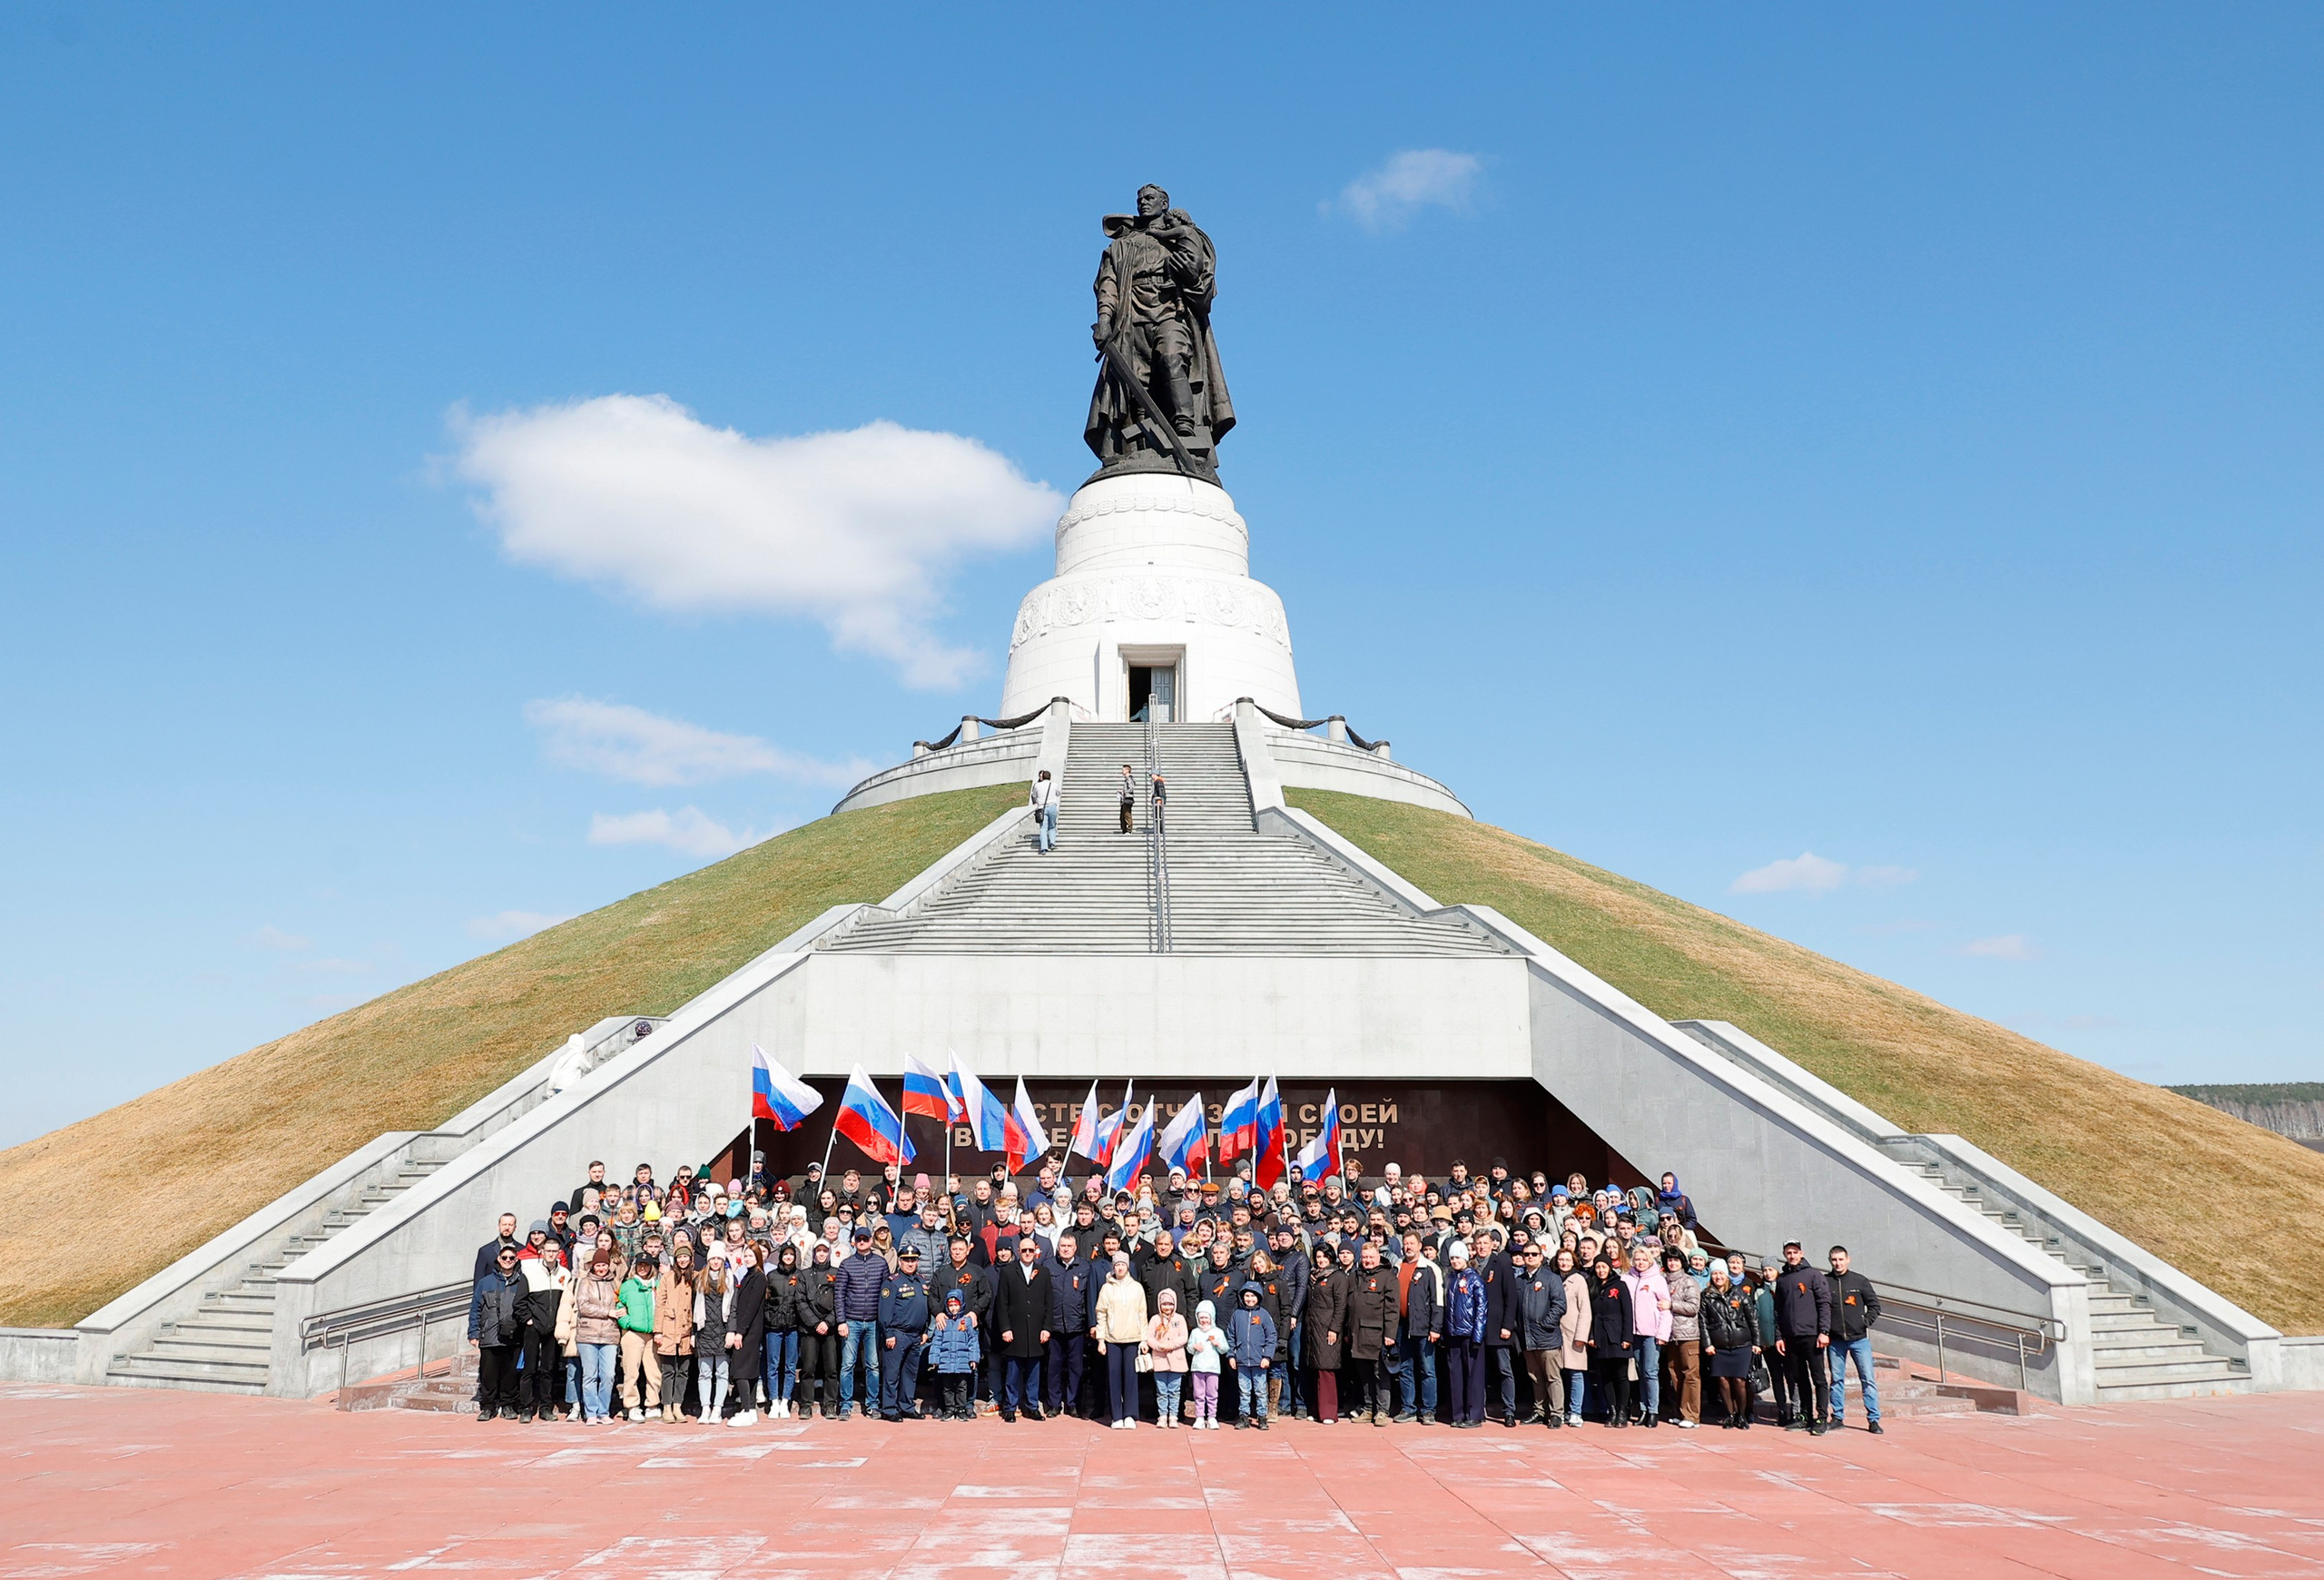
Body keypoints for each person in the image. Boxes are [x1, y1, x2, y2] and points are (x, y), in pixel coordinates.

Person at [1772, 1241, 1834, 1435]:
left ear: (1801, 1253)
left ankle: (1822, 1417)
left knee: (1819, 1378)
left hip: (1812, 1336)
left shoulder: (1814, 1275)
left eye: (1795, 1252)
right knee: (1800, 1379)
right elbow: (1778, 1310)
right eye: (1788, 1252)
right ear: (1784, 1254)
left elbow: (1824, 1304)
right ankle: (1805, 1416)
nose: (1792, 1255)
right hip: (1791, 1337)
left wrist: (1824, 1331)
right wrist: (1779, 1336)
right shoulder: (1782, 1279)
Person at [1825, 1245, 1884, 1434]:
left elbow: (1875, 1305)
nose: (1838, 1263)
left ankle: (1873, 1419)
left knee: (1868, 1379)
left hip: (1859, 1340)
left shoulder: (1860, 1281)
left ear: (1848, 1259)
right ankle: (1837, 1416)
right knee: (1836, 1380)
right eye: (1834, 1260)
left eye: (1841, 1259)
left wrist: (1864, 1322)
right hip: (1835, 1341)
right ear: (1830, 1261)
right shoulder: (1826, 1282)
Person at [995, 1234, 1054, 1421]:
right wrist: (1005, 1328)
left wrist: (1047, 1328)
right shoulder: (1008, 1271)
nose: (1027, 1253)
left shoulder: (1043, 1272)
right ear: (1018, 1252)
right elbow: (1002, 1302)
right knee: (1012, 1373)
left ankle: (1032, 1406)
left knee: (1034, 1374)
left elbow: (1049, 1303)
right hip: (1015, 1330)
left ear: (1036, 1252)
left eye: (1031, 1250)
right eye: (1024, 1250)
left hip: (1036, 1332)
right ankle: (1010, 1408)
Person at [468, 1242, 525, 1422]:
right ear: (499, 1260)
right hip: (490, 1335)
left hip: (513, 1336)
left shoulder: (522, 1281)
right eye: (504, 1257)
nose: (508, 1261)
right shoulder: (486, 1282)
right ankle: (488, 1407)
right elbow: (476, 1308)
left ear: (516, 1260)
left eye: (511, 1258)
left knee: (510, 1374)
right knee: (488, 1374)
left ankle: (508, 1405)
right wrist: (473, 1333)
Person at [1514, 1241, 1568, 1428]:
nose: (1530, 1257)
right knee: (1535, 1377)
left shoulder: (1551, 1278)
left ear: (1541, 1257)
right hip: (1528, 1338)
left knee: (1552, 1377)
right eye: (1526, 1254)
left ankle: (1556, 1413)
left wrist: (1546, 1324)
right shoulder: (1519, 1280)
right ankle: (1539, 1411)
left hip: (1547, 1337)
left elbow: (1560, 1305)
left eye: (1534, 1254)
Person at [516, 1231, 567, 1424]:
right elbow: (519, 1302)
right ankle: (526, 1408)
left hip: (553, 1329)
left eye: (555, 1251)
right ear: (542, 1252)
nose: (551, 1254)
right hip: (533, 1328)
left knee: (549, 1370)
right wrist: (528, 1320)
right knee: (529, 1369)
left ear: (559, 1253)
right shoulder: (529, 1273)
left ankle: (546, 1407)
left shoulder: (565, 1274)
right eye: (548, 1251)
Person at [1392, 1231, 1443, 1425]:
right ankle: (1408, 1408)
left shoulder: (1430, 1268)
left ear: (1420, 1246)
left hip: (1424, 1327)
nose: (1408, 1247)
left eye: (1412, 1243)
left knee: (1427, 1369)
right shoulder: (1397, 1266)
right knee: (1405, 1368)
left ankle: (1428, 1410)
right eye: (1405, 1243)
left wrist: (1435, 1327)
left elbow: (1438, 1300)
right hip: (1402, 1327)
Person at [1344, 1243, 1398, 1426]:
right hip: (1357, 1335)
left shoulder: (1387, 1278)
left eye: (1371, 1257)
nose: (1367, 1261)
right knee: (1364, 1375)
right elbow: (1348, 1306)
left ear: (1378, 1258)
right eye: (1365, 1257)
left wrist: (1390, 1334)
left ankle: (1382, 1411)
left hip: (1377, 1335)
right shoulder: (1355, 1276)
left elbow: (1392, 1309)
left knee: (1379, 1374)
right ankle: (1368, 1409)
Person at [834, 1227, 885, 1419]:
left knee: (873, 1364)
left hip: (873, 1321)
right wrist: (841, 1320)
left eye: (865, 1239)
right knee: (847, 1364)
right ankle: (845, 1405)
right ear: (854, 1242)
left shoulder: (880, 1264)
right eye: (859, 1239)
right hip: (851, 1321)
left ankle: (872, 1404)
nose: (862, 1242)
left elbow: (885, 1293)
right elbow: (839, 1294)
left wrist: (883, 1321)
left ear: (871, 1241)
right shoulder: (846, 1264)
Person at [877, 1245, 932, 1421]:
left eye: (913, 1260)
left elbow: (925, 1308)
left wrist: (925, 1330)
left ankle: (907, 1406)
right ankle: (889, 1408)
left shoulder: (921, 1281)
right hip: (897, 1334)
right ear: (900, 1261)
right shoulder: (892, 1282)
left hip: (916, 1335)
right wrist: (889, 1333)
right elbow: (884, 1311)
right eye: (906, 1260)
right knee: (892, 1374)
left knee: (910, 1374)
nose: (910, 1263)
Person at [1699, 1262, 1758, 1428]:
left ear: (1726, 1275)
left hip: (1741, 1344)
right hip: (1719, 1346)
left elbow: (1752, 1319)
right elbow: (1702, 1322)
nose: (1718, 1277)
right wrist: (1708, 1344)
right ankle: (1730, 1414)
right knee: (1722, 1380)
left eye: (1721, 1274)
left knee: (1739, 1381)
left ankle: (1742, 1414)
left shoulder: (1739, 1293)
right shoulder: (1706, 1296)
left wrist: (1757, 1342)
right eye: (1715, 1274)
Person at [1094, 1252, 1148, 1427]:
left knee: (1131, 1378)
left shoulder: (1137, 1288)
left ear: (1127, 1267)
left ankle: (1130, 1414)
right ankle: (1116, 1415)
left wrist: (1144, 1340)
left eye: (1122, 1265)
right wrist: (1101, 1339)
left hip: (1132, 1338)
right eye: (1117, 1265)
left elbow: (1142, 1314)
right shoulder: (1106, 1288)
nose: (1119, 1268)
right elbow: (1101, 1314)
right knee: (1114, 1376)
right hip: (1112, 1338)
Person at [570, 1249, 622, 1424]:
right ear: (593, 1266)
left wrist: (620, 1311)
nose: (601, 1268)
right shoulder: (585, 1283)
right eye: (598, 1265)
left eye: (604, 1265)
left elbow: (621, 1302)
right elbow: (583, 1306)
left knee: (608, 1375)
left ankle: (603, 1411)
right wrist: (608, 1312)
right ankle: (591, 1412)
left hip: (609, 1334)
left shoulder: (614, 1283)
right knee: (590, 1374)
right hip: (588, 1334)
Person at [1586, 1253, 1636, 1428]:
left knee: (1621, 1376)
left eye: (1604, 1267)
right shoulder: (1592, 1286)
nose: (1601, 1270)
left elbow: (1628, 1313)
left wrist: (1627, 1337)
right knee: (1605, 1377)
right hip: (1600, 1336)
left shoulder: (1620, 1286)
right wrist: (1591, 1336)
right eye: (1598, 1267)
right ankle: (1612, 1411)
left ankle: (1622, 1412)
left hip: (1618, 1336)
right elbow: (1590, 1315)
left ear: (1610, 1267)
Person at [1440, 1241, 1487, 1428]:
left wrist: (1477, 1335)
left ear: (1466, 1258)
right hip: (1453, 1334)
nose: (1454, 1261)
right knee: (1455, 1375)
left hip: (1470, 1334)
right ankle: (1457, 1413)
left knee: (1473, 1375)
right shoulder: (1450, 1278)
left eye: (1458, 1257)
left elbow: (1482, 1309)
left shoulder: (1475, 1280)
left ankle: (1474, 1414)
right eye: (1452, 1258)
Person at [1048, 1232, 1094, 1417]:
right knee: (1053, 1367)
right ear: (1058, 1248)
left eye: (1069, 1246)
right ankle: (1054, 1404)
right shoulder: (1049, 1265)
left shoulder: (1084, 1266)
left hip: (1077, 1326)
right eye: (1062, 1246)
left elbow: (1088, 1297)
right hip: (1054, 1325)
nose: (1065, 1249)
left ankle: (1073, 1403)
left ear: (1075, 1248)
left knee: (1076, 1367)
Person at [1624, 1244, 1670, 1428]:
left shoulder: (1658, 1280)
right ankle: (1643, 1409)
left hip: (1652, 1334)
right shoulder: (1627, 1278)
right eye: (1638, 1259)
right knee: (1640, 1371)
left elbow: (1666, 1308)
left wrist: (1662, 1334)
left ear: (1650, 1261)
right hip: (1634, 1333)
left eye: (1644, 1259)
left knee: (1650, 1372)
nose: (1640, 1262)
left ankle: (1653, 1411)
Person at [1304, 1239, 1349, 1424]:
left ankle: (1329, 1412)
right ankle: (1316, 1409)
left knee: (1326, 1369)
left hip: (1327, 1329)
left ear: (1331, 1257)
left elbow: (1341, 1307)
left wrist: (1334, 1328)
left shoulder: (1337, 1277)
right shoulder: (1313, 1276)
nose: (1321, 1260)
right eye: (1318, 1256)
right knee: (1314, 1369)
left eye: (1324, 1256)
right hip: (1312, 1328)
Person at [653, 1242, 696, 1423]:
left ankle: (678, 1405)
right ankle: (667, 1407)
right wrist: (658, 1330)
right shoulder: (667, 1277)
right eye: (679, 1257)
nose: (683, 1260)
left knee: (683, 1371)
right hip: (669, 1329)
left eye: (686, 1256)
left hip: (687, 1330)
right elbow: (660, 1303)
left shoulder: (695, 1277)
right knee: (668, 1370)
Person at [796, 1242, 840, 1419]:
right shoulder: (804, 1275)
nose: (821, 1254)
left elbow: (841, 1301)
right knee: (808, 1368)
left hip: (830, 1329)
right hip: (809, 1329)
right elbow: (800, 1301)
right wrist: (815, 1323)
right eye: (818, 1251)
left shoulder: (837, 1273)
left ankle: (830, 1404)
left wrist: (828, 1323)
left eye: (824, 1251)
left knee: (831, 1368)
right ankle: (806, 1404)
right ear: (813, 1254)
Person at [1659, 1248, 1701, 1427]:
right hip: (1670, 1335)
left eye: (1676, 1260)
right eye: (1669, 1260)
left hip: (1688, 1335)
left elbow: (1693, 1307)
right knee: (1674, 1374)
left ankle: (1692, 1415)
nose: (1672, 1263)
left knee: (1690, 1375)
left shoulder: (1688, 1281)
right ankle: (1680, 1411)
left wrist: (1671, 1305)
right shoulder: (1663, 1281)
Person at [615, 1252, 660, 1421]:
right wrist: (627, 1322)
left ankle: (652, 1404)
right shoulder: (627, 1285)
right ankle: (632, 1405)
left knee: (654, 1372)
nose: (643, 1268)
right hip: (633, 1334)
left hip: (653, 1334)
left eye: (646, 1265)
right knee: (631, 1371)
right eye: (640, 1265)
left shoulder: (658, 1284)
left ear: (651, 1267)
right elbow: (620, 1304)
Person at [1227, 1281, 1276, 1429]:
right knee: (1244, 1390)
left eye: (1253, 1296)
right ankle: (1244, 1416)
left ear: (1259, 1297)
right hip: (1242, 1361)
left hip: (1259, 1361)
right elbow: (1231, 1336)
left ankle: (1262, 1417)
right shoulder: (1237, 1315)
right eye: (1247, 1296)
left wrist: (1267, 1356)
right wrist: (1231, 1355)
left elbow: (1271, 1336)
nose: (1249, 1299)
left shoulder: (1264, 1315)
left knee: (1261, 1390)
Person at [694, 1250, 733, 1426]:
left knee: (722, 1373)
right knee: (705, 1373)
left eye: (719, 1258)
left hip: (723, 1331)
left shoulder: (730, 1279)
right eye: (713, 1258)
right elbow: (692, 1308)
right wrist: (693, 1333)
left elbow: (734, 1308)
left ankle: (717, 1408)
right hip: (704, 1330)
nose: (716, 1262)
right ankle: (705, 1408)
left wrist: (731, 1331)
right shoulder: (699, 1280)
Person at [1555, 1246, 1591, 1427]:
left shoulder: (1578, 1280)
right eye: (1561, 1260)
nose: (1564, 1263)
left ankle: (1576, 1411)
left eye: (1568, 1260)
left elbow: (1585, 1309)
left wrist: (1581, 1335)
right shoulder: (1553, 1278)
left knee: (1576, 1374)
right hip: (1555, 1335)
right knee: (1557, 1374)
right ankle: (1559, 1410)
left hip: (1574, 1334)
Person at [1144, 1287, 1189, 1428]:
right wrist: (1158, 1346)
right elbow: (1149, 1337)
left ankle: (1173, 1416)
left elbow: (1184, 1337)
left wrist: (1171, 1345)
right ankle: (1162, 1415)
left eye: (1170, 1304)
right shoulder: (1155, 1319)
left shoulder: (1180, 1319)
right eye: (1164, 1304)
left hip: (1176, 1360)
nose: (1167, 1307)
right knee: (1161, 1390)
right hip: (1160, 1360)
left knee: (1175, 1390)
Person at [931, 1290, 981, 1418]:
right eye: (951, 1306)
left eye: (956, 1305)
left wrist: (973, 1359)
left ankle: (961, 1408)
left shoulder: (967, 1322)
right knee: (947, 1387)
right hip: (946, 1362)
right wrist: (934, 1359)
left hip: (962, 1362)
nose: (953, 1308)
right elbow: (936, 1342)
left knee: (961, 1386)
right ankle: (949, 1408)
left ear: (961, 1305)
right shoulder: (943, 1322)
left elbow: (973, 1341)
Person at [1187, 1298, 1227, 1429]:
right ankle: (1199, 1417)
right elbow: (1189, 1348)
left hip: (1213, 1368)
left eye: (1206, 1317)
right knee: (1198, 1393)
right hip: (1198, 1368)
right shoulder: (1195, 1332)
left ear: (1212, 1317)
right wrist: (1194, 1347)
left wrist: (1218, 1344)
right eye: (1201, 1317)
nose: (1204, 1320)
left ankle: (1211, 1417)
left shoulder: (1218, 1332)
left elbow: (1225, 1349)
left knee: (1212, 1393)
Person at [1030, 769, 1059, 854]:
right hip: (1052, 807)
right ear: (1050, 777)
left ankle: (1043, 848)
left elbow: (1034, 795)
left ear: (1042, 777)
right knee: (1052, 826)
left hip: (1042, 808)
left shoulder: (1037, 785)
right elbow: (1058, 793)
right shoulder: (1054, 785)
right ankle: (1052, 843)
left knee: (1043, 828)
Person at [1118, 763, 1136, 834]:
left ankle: (1129, 829)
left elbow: (1131, 789)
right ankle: (1124, 830)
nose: (1122, 771)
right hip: (1125, 799)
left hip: (1128, 799)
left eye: (1123, 770)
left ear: (1127, 770)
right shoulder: (1126, 779)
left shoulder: (1129, 779)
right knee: (1122, 815)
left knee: (1127, 815)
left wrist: (1123, 792)